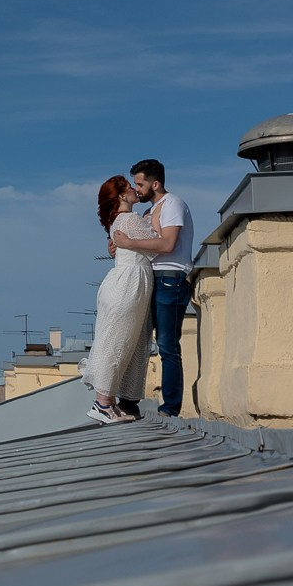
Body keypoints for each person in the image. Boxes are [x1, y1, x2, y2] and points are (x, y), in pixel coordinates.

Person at [109, 158, 194, 416]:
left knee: (167, 344)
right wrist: (116, 245)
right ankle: (128, 401)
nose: (137, 189)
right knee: (139, 339)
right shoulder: (148, 212)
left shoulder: (173, 205)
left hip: (171, 279)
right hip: (152, 279)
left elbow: (167, 245)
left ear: (155, 184)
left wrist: (129, 244)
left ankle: (170, 407)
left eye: (140, 184)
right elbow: (137, 244)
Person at [82, 175, 156, 425]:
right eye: (129, 188)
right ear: (123, 196)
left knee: (118, 340)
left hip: (124, 282)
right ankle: (102, 403)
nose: (135, 190)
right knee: (117, 341)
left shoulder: (117, 221)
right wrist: (150, 220)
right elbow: (158, 244)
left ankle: (107, 401)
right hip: (128, 284)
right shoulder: (130, 219)